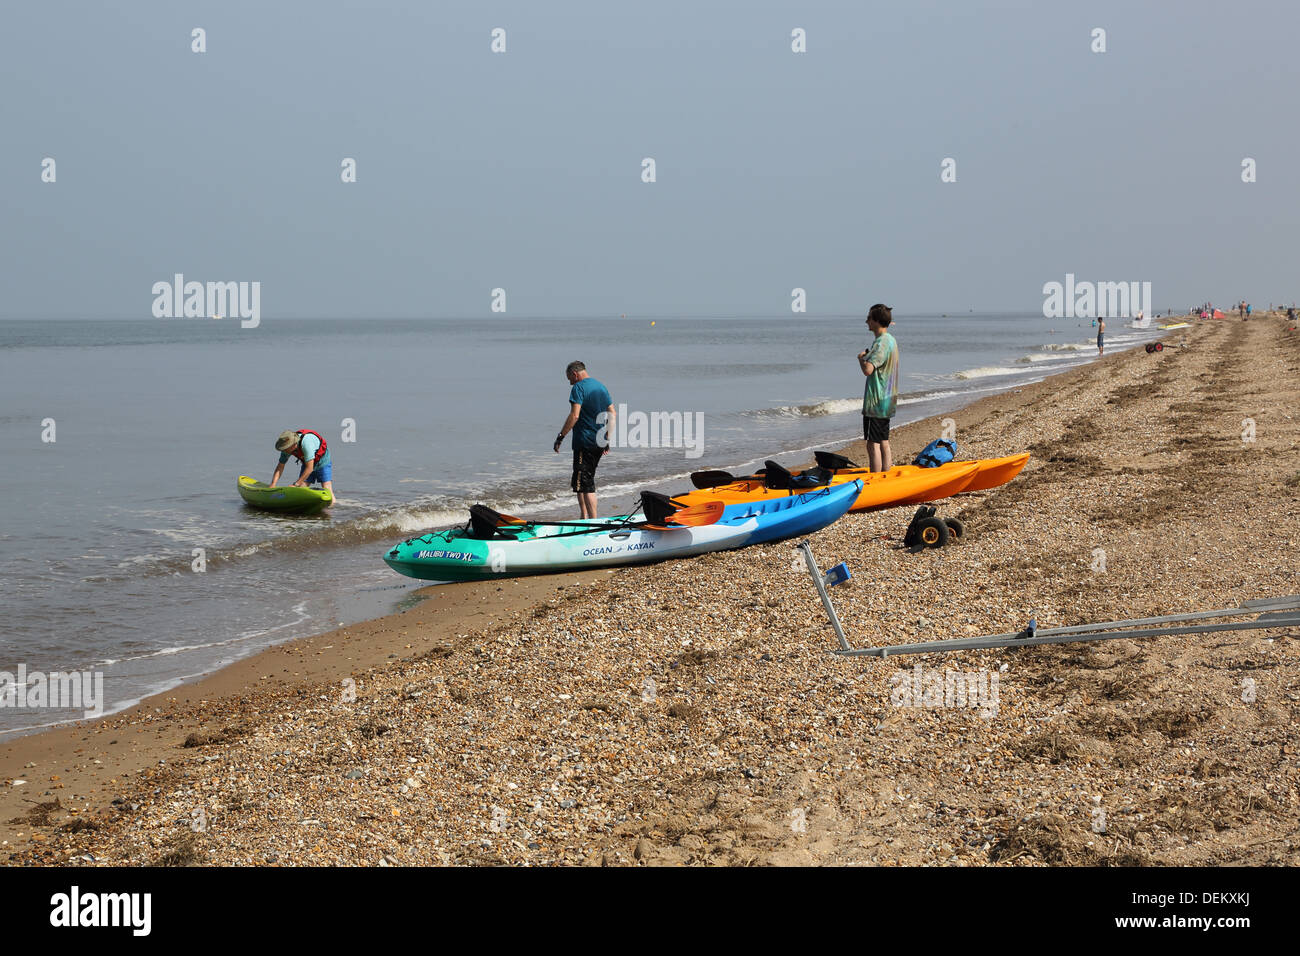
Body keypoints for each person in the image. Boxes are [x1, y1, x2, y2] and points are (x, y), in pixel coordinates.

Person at [554, 361, 614, 519]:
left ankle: (594, 523)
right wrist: (607, 438)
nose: (570, 382)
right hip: (598, 442)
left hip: (585, 442)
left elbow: (575, 415)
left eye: (569, 378)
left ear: (575, 374)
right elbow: (612, 413)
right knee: (579, 481)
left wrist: (560, 437)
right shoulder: (601, 386)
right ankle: (584, 516)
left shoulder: (578, 388)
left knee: (586, 484)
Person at [857, 304, 899, 472]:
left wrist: (861, 359)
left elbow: (868, 370)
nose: (866, 321)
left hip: (876, 401)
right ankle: (885, 475)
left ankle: (876, 479)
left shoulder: (881, 343)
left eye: (869, 318)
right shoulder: (891, 340)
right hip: (887, 399)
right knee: (883, 441)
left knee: (872, 444)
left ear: (875, 321)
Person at [271, 428, 334, 502]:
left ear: (293, 445)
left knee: (327, 488)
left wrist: (295, 484)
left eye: (285, 448)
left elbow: (309, 468)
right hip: (307, 462)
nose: (284, 450)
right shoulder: (287, 449)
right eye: (283, 448)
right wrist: (273, 484)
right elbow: (280, 466)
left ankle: (332, 510)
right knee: (302, 488)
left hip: (322, 461)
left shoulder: (306, 444)